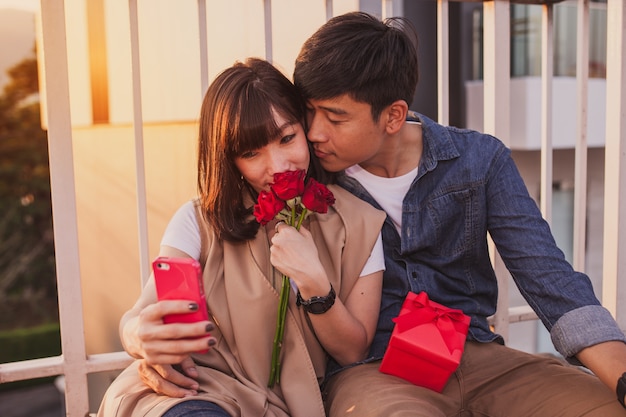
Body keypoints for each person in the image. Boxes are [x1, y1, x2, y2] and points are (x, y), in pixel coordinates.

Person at [292, 11, 626, 417]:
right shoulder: (306, 178)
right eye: (309, 112)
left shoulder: (479, 160)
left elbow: (550, 279)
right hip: (374, 372)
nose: (314, 132)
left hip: (479, 357)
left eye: (335, 117)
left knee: (604, 406)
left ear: (394, 116)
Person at [96, 57, 386, 417]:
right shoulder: (199, 221)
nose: (278, 166)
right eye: (251, 153)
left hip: (296, 401)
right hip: (201, 389)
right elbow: (142, 313)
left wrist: (315, 283)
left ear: (305, 127)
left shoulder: (359, 223)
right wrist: (139, 338)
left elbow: (353, 350)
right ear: (229, 159)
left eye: (287, 138)